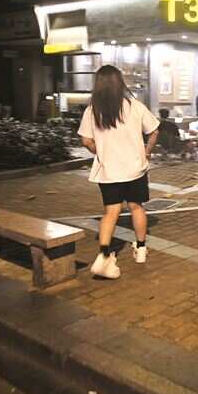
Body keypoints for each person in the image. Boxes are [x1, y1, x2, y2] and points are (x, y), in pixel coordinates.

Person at [78, 65, 160, 280]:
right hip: (135, 169)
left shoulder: (93, 111)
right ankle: (140, 249)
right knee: (136, 207)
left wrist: (100, 151)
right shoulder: (135, 106)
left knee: (111, 212)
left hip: (109, 171)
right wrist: (147, 152)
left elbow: (86, 140)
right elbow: (154, 131)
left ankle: (104, 255)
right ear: (120, 83)